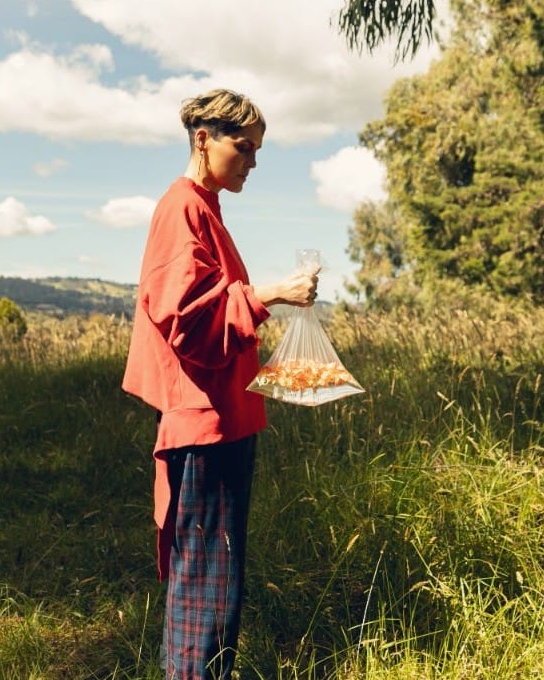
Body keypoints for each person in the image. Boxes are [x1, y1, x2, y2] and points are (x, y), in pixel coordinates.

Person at [122, 88, 318, 680]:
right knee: (203, 586)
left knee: (218, 581)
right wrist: (271, 294)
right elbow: (188, 318)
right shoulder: (180, 208)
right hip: (203, 427)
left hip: (226, 420)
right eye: (245, 146)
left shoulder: (206, 208)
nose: (253, 162)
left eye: (258, 151)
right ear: (203, 139)